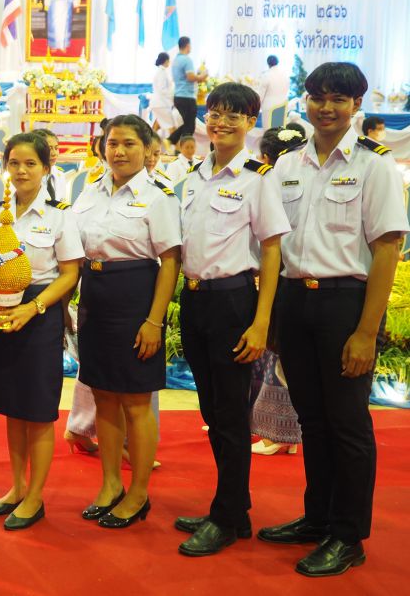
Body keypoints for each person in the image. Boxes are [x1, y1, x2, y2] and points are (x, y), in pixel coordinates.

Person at [258, 62, 408, 577]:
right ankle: (317, 517)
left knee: (347, 424)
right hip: (295, 302)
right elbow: (272, 244)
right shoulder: (288, 164)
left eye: (338, 99)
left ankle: (348, 536)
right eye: (318, 97)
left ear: (356, 105)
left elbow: (387, 249)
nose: (326, 108)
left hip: (346, 304)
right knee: (313, 420)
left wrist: (366, 332)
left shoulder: (374, 166)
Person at [173, 83, 291, 557]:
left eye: (233, 115)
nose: (221, 122)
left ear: (250, 122)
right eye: (215, 113)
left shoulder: (258, 179)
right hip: (195, 302)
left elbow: (272, 250)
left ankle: (226, 516)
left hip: (233, 303)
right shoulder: (193, 176)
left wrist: (261, 323)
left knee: (230, 415)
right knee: (211, 412)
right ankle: (233, 509)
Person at [72, 114, 181, 529]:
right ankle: (110, 484)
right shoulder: (90, 192)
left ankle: (138, 492)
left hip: (136, 298)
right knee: (102, 395)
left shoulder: (158, 196)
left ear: (147, 149)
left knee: (136, 401)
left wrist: (154, 321)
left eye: (129, 144)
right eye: (112, 143)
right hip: (94, 298)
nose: (118, 151)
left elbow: (170, 261)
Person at [0, 132, 82, 530]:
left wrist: (33, 308)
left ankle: (36, 496)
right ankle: (18, 487)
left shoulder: (59, 215)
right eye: (14, 163)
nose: (21, 171)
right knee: (13, 406)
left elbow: (70, 274)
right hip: (1, 312)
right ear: (5, 166)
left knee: (38, 410)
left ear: (46, 167)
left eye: (30, 164)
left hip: (39, 314)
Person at [250, 125, 306, 457]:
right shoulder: (275, 182)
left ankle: (279, 434)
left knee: (280, 361)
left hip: (287, 280)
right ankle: (283, 433)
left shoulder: (270, 182)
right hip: (286, 279)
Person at [170, 37, 207, 144]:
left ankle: (172, 141)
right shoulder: (186, 59)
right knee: (190, 126)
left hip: (178, 95)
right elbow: (190, 77)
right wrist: (202, 77)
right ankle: (176, 143)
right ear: (187, 45)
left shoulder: (176, 60)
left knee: (188, 124)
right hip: (187, 96)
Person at [256, 55, 290, 129]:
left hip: (269, 106)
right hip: (282, 104)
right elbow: (287, 89)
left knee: (268, 130)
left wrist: (257, 106)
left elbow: (261, 94)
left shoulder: (266, 75)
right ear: (277, 62)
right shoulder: (285, 74)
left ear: (268, 63)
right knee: (279, 130)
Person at [32, 128, 66, 201]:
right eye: (49, 149)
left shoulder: (60, 175)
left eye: (56, 148)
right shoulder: (29, 176)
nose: (54, 153)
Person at [150, 53, 178, 139]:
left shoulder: (161, 71)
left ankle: (148, 142)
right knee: (172, 127)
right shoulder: (162, 72)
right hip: (161, 104)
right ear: (166, 61)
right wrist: (174, 94)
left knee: (157, 126)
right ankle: (174, 145)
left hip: (159, 104)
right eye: (169, 60)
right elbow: (162, 89)